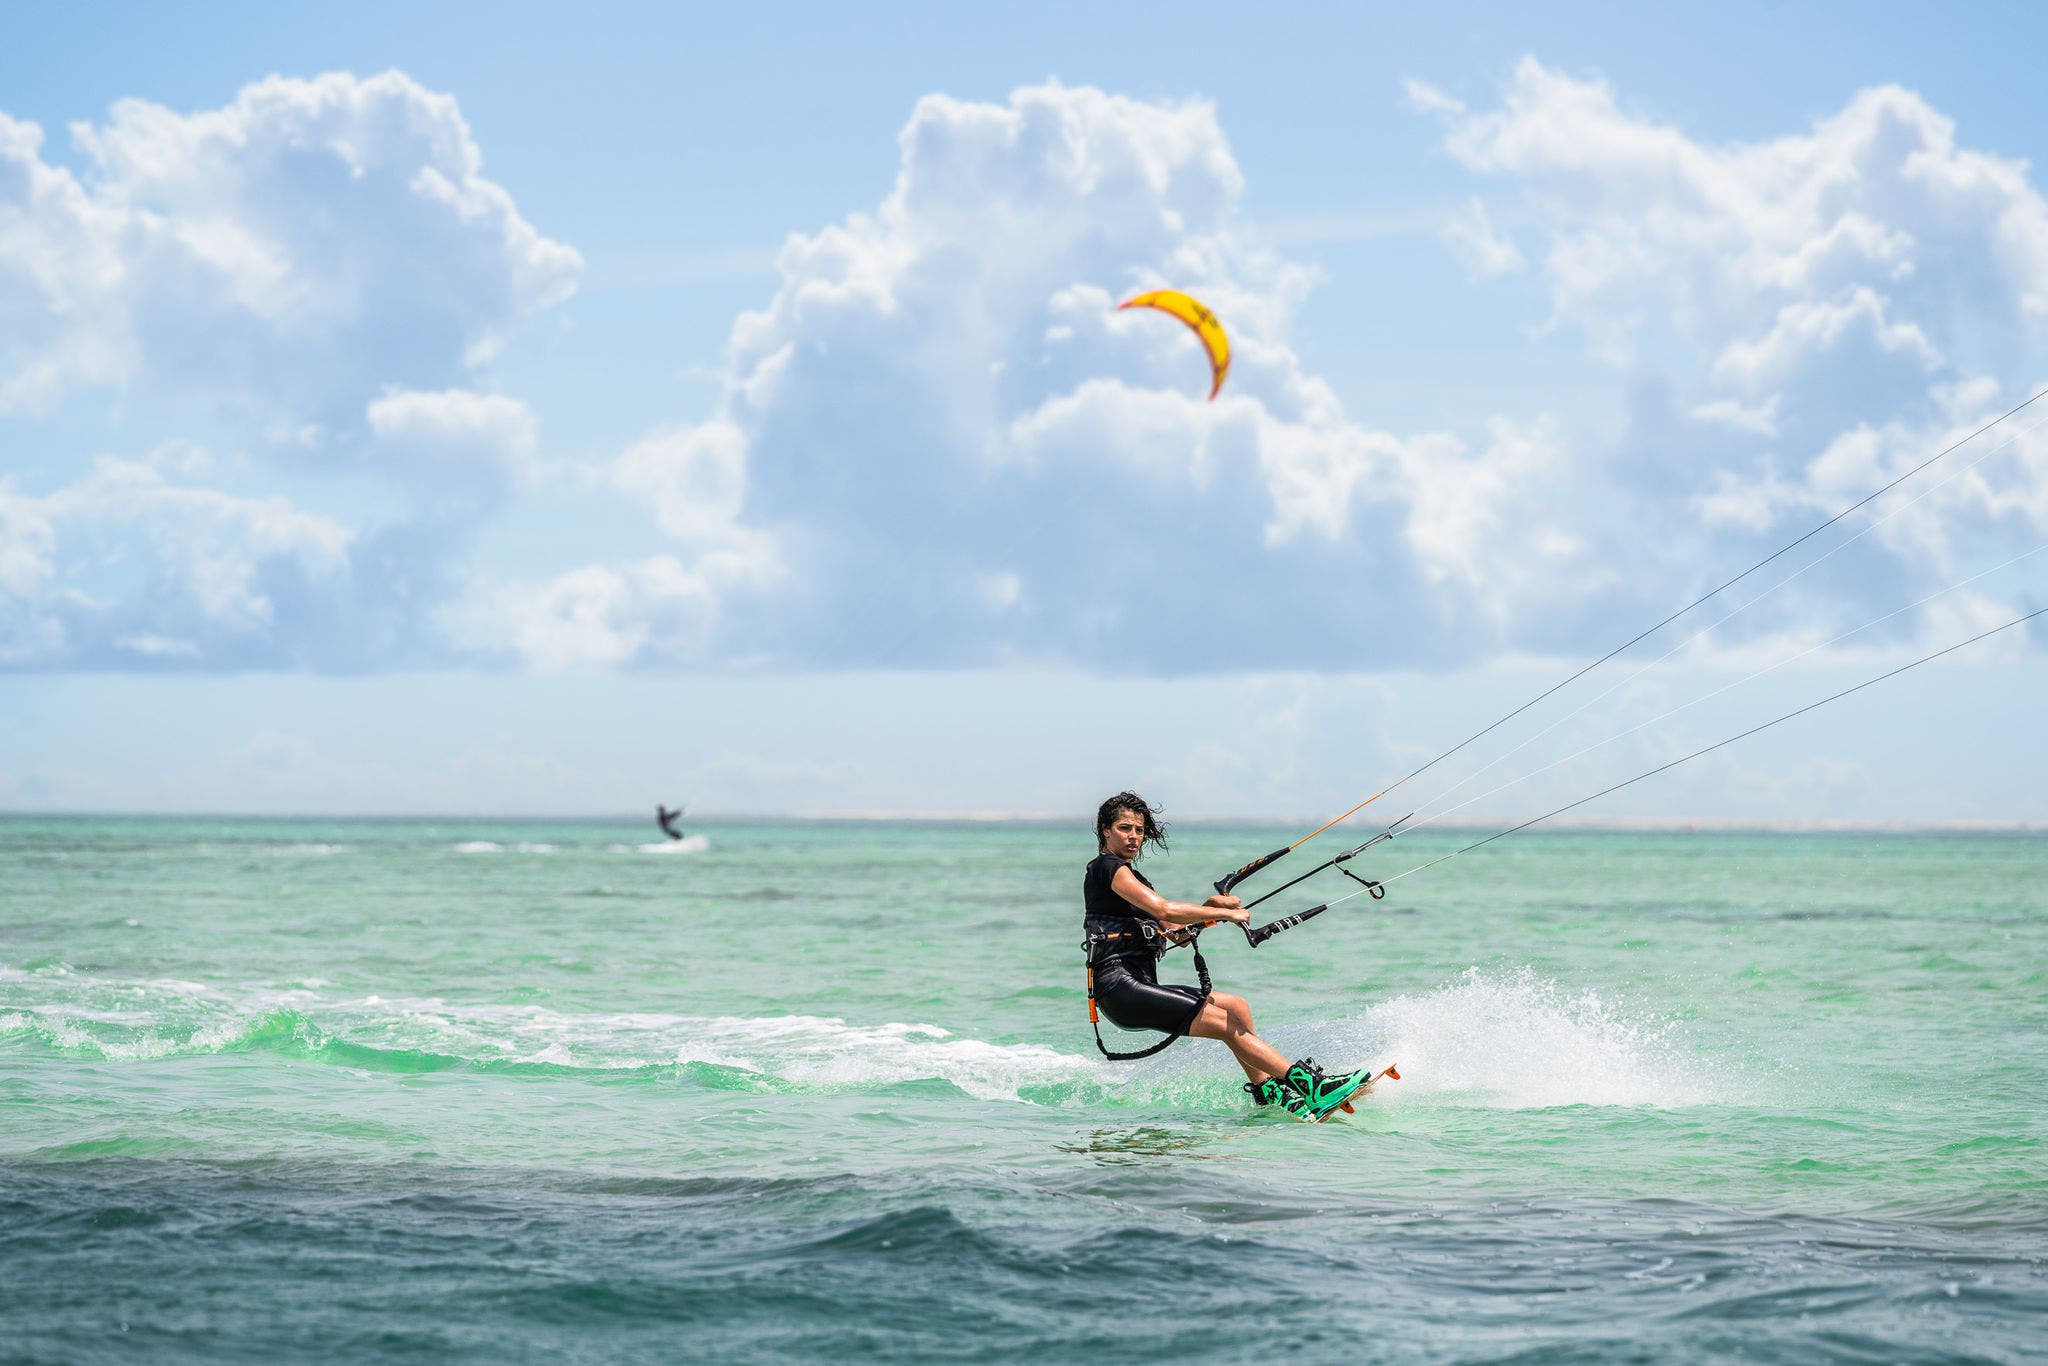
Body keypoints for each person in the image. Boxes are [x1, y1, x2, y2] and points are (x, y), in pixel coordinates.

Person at [1083, 791, 1377, 1120]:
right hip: (1121, 988)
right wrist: (1226, 916)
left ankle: (1268, 1091)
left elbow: (1175, 932)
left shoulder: (1133, 877)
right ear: (1105, 830)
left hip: (1135, 986)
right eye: (1125, 828)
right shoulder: (1106, 868)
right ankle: (1314, 1087)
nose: (1134, 836)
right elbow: (1163, 908)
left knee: (1236, 1006)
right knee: (1226, 1025)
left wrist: (1210, 910)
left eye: (1139, 830)